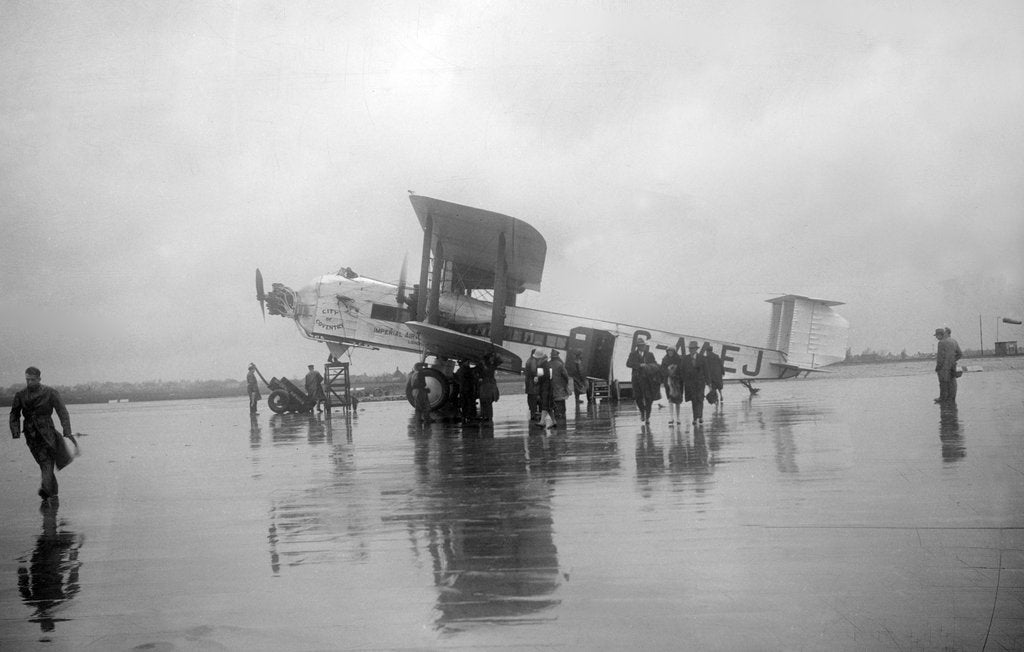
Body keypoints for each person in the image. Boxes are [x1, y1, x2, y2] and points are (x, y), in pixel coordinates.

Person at [9, 367, 73, 501]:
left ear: (39, 379)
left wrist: (66, 430)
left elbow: (62, 411)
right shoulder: (20, 395)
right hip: (30, 434)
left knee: (46, 460)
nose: (30, 382)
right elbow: (14, 414)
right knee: (42, 462)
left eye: (33, 380)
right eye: (27, 380)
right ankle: (52, 491)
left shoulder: (50, 392)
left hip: (47, 432)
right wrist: (15, 432)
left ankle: (46, 489)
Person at [626, 337, 658, 423]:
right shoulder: (633, 354)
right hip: (636, 379)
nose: (642, 347)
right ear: (637, 346)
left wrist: (648, 366)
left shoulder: (649, 354)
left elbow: (655, 364)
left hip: (647, 379)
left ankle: (647, 416)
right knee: (638, 397)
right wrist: (639, 365)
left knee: (649, 398)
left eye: (643, 345)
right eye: (640, 345)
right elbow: (628, 364)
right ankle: (642, 411)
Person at [681, 341, 707, 425]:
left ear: (696, 349)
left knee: (700, 399)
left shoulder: (702, 358)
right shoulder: (685, 358)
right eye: (690, 349)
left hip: (700, 383)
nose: (691, 350)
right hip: (690, 383)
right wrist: (685, 380)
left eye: (693, 349)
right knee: (694, 400)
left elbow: (707, 371)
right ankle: (695, 418)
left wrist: (709, 383)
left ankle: (700, 416)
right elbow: (682, 371)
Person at [934, 327, 962, 403]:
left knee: (943, 384)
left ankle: (943, 399)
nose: (936, 338)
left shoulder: (941, 343)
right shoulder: (954, 341)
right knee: (952, 383)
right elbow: (960, 354)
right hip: (952, 366)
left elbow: (940, 358)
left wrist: (938, 367)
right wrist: (952, 360)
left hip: (943, 368)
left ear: (940, 335)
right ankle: (952, 399)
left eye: (936, 336)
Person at [548, 349, 571, 427]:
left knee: (553, 404)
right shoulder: (560, 364)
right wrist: (566, 384)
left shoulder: (547, 364)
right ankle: (561, 418)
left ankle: (556, 416)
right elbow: (566, 376)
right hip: (560, 388)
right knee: (561, 404)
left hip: (550, 388)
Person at [661, 346, 683, 425]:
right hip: (668, 381)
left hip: (677, 381)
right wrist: (668, 371)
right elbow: (662, 370)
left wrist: (675, 370)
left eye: (671, 351)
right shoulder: (664, 359)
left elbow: (681, 369)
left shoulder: (679, 359)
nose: (670, 352)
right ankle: (671, 417)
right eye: (669, 351)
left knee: (677, 400)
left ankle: (678, 418)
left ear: (674, 351)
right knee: (670, 399)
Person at [477, 353, 502, 423]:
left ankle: (485, 416)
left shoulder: (482, 366)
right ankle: (488, 417)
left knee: (484, 401)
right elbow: (500, 361)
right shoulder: (491, 365)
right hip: (489, 386)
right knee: (488, 402)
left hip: (485, 386)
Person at [701, 342, 725, 408]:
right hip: (718, 376)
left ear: (707, 351)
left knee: (712, 389)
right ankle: (721, 395)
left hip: (711, 377)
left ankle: (716, 401)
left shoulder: (706, 358)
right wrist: (723, 373)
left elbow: (705, 368)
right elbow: (721, 366)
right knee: (719, 387)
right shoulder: (717, 357)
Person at [524, 349, 542, 422]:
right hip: (534, 386)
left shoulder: (529, 360)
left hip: (530, 386)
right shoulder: (533, 361)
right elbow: (534, 371)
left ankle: (533, 415)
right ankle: (536, 416)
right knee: (537, 401)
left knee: (532, 402)